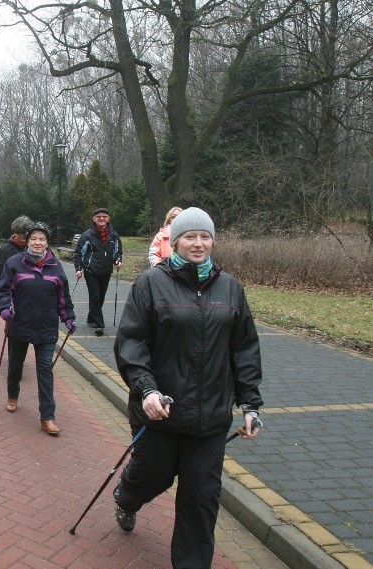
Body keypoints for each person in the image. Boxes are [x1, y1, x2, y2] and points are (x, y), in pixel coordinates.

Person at [112, 207, 263, 568]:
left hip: (210, 419)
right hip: (160, 411)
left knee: (201, 498)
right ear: (174, 240)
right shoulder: (151, 282)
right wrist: (146, 390)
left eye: (205, 236)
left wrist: (251, 405)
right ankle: (126, 498)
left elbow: (244, 348)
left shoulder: (230, 287)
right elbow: (131, 343)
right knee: (151, 478)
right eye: (190, 236)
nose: (198, 243)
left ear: (213, 240)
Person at [0, 221, 76, 436]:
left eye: (42, 239)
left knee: (45, 371)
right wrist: (4, 309)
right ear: (27, 241)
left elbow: (63, 297)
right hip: (19, 324)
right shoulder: (14, 263)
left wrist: (68, 318)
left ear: (47, 243)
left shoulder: (56, 267)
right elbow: (2, 291)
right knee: (16, 365)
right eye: (33, 239)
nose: (37, 243)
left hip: (46, 327)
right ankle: (12, 394)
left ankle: (47, 417)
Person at [73, 207, 123, 336]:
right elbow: (79, 253)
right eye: (98, 216)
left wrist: (118, 260)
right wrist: (78, 268)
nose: (101, 218)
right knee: (95, 296)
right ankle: (100, 325)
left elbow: (118, 251)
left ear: (108, 219)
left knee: (100, 297)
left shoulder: (114, 235)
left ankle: (91, 318)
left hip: (106, 270)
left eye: (104, 216)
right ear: (94, 219)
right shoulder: (87, 235)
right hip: (91, 271)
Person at [0, 215, 31, 309]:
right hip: (12, 295)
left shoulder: (34, 247)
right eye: (20, 235)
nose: (23, 237)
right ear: (15, 232)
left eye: (25, 235)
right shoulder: (6, 248)